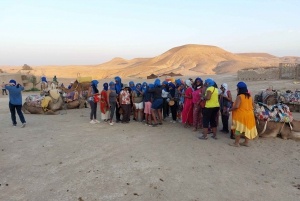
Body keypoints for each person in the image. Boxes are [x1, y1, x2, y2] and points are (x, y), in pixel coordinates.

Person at [229, 82, 258, 147]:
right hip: (250, 115)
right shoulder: (249, 96)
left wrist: (229, 110)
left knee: (238, 129)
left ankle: (236, 143)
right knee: (247, 129)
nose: (237, 90)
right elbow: (253, 104)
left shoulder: (239, 96)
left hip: (241, 115)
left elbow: (236, 106)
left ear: (239, 89)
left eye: (237, 88)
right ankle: (246, 142)